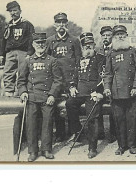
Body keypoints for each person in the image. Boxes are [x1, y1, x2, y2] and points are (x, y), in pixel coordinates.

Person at [17, 33, 63, 162]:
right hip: (31, 97)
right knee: (31, 124)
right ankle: (32, 151)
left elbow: (58, 80)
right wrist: (23, 92)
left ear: (46, 44)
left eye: (43, 43)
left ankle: (46, 149)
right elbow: (21, 81)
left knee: (47, 123)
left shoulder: (52, 61)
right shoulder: (28, 61)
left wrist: (53, 94)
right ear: (33, 45)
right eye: (38, 43)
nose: (40, 45)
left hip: (47, 97)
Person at [103, 25, 136, 155]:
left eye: (122, 34)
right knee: (119, 119)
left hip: (132, 91)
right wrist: (107, 88)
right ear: (114, 37)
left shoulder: (133, 51)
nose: (120, 36)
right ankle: (121, 145)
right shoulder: (110, 53)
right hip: (116, 92)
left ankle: (132, 145)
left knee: (132, 119)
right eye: (117, 35)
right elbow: (108, 73)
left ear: (126, 36)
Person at [66, 32, 104, 159]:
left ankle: (92, 148)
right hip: (80, 92)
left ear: (94, 45)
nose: (88, 47)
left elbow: (103, 77)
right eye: (85, 45)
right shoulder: (79, 60)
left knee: (92, 117)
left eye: (90, 44)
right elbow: (74, 76)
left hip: (93, 93)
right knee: (69, 104)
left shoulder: (100, 58)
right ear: (82, 47)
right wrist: (72, 87)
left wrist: (99, 91)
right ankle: (77, 130)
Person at [46, 12, 82, 142]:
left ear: (67, 23)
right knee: (56, 105)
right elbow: (47, 61)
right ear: (55, 24)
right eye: (58, 22)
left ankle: (75, 133)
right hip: (56, 80)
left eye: (63, 22)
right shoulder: (50, 41)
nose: (61, 25)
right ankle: (60, 133)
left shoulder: (74, 40)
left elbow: (79, 61)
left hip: (71, 79)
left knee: (72, 105)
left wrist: (75, 80)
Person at [0, 1, 34, 96]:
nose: (13, 13)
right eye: (10, 11)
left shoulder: (27, 24)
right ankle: (9, 92)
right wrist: (1, 55)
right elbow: (4, 41)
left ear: (20, 11)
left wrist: (29, 54)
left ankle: (22, 92)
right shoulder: (8, 26)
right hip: (10, 52)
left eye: (15, 10)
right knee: (8, 72)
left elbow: (31, 40)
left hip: (23, 52)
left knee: (23, 73)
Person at [96, 26, 116, 143]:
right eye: (103, 35)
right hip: (100, 83)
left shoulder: (116, 49)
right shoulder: (98, 50)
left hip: (112, 83)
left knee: (114, 106)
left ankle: (113, 133)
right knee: (96, 102)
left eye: (108, 35)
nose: (105, 37)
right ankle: (100, 132)